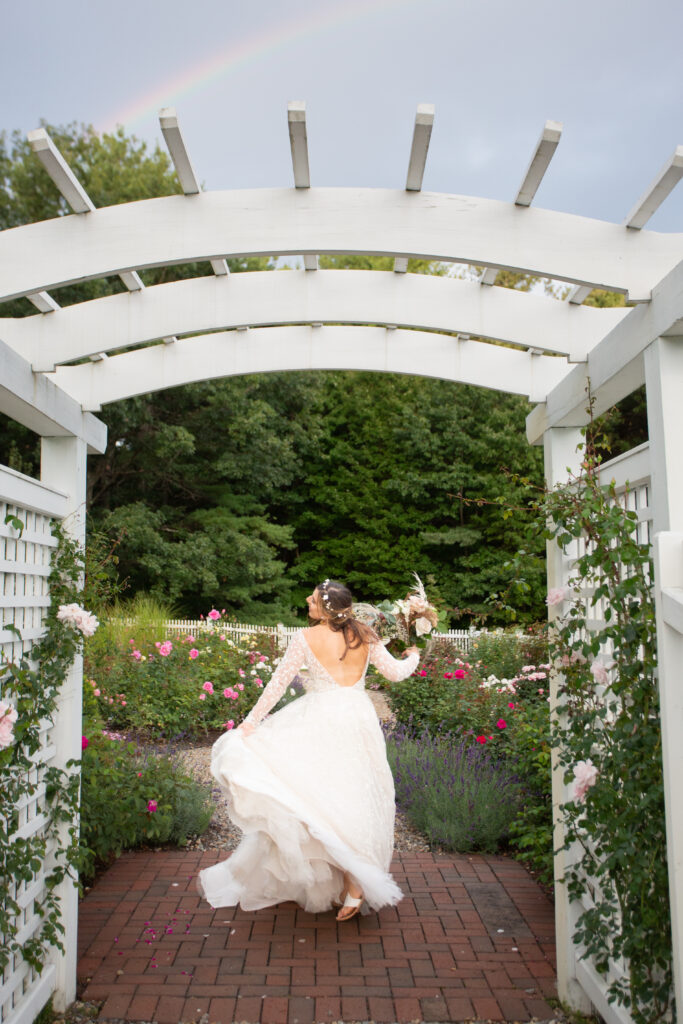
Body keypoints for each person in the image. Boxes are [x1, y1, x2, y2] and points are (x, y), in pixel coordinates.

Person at [197, 579, 420, 922]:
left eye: (314, 598)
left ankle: (353, 880)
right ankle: (352, 881)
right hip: (358, 719)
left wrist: (251, 722)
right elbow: (395, 673)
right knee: (352, 798)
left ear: (328, 606)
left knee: (321, 799)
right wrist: (416, 655)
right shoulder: (365, 634)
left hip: (320, 721)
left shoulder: (305, 637)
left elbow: (277, 684)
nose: (307, 600)